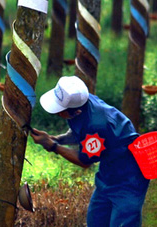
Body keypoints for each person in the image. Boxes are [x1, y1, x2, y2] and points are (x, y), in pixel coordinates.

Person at [29, 76, 149, 227]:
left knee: (122, 223)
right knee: (96, 221)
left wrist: (54, 146)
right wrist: (56, 139)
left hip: (129, 179)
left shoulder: (97, 124)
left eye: (61, 111)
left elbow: (84, 161)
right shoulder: (83, 102)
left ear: (76, 111)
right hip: (107, 176)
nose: (58, 114)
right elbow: (79, 132)